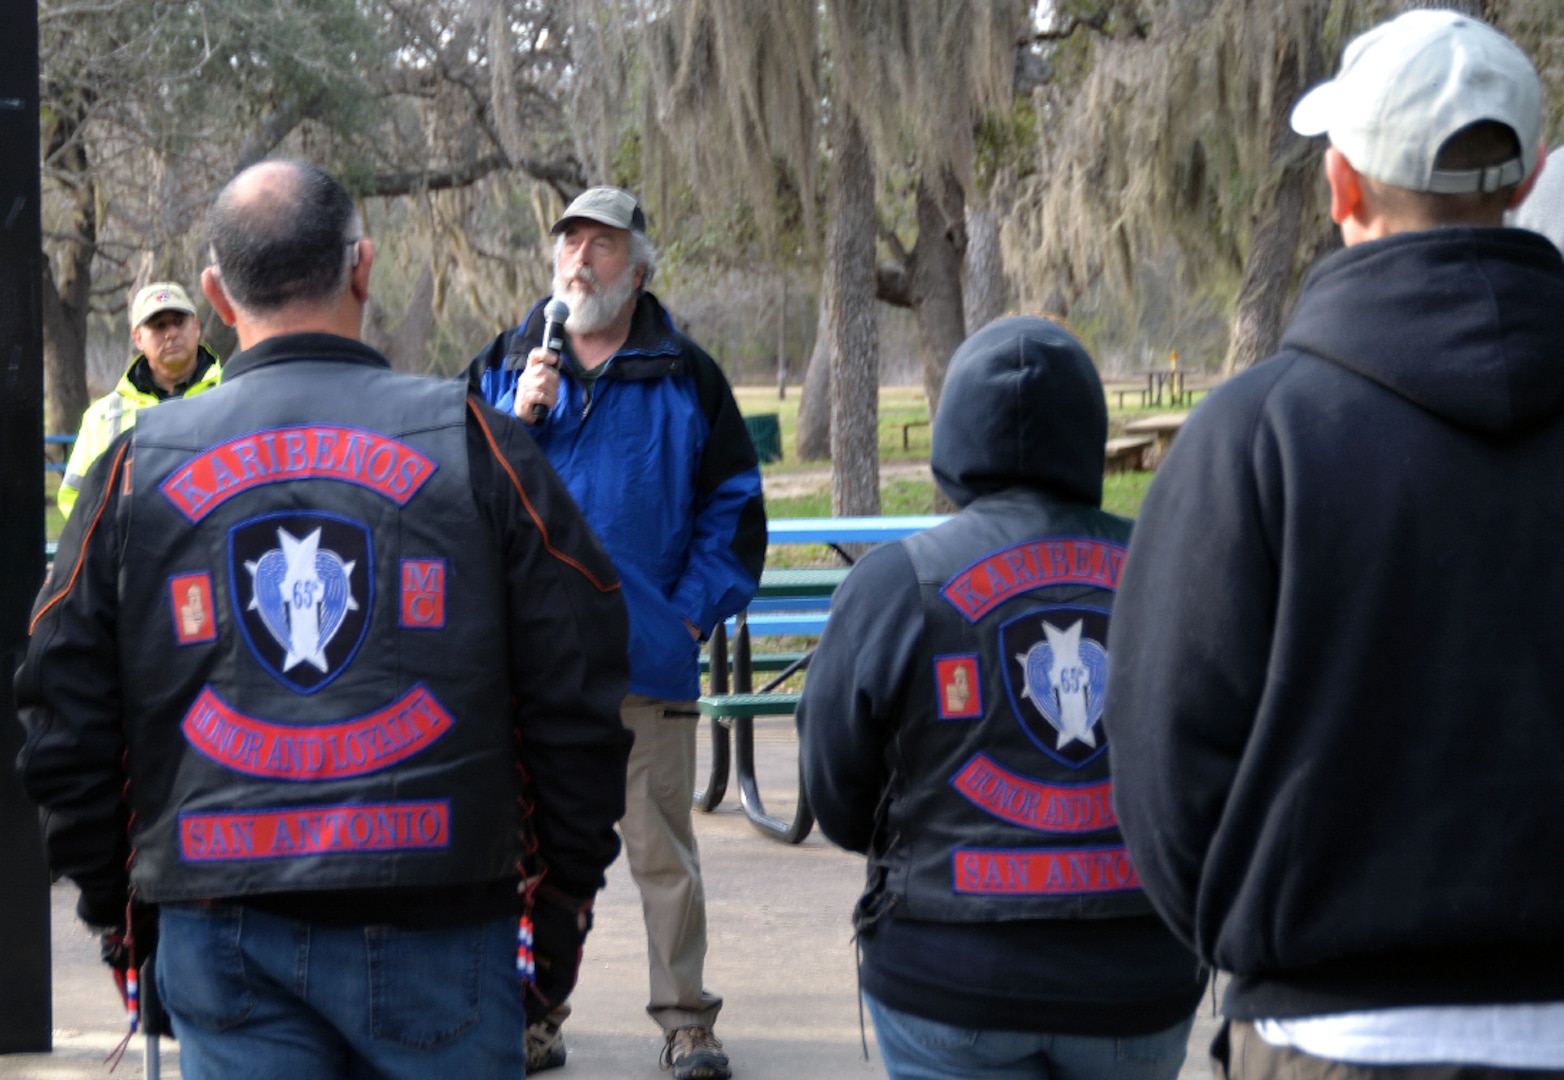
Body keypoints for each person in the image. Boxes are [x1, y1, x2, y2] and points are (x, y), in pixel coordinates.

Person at [15, 159, 634, 1079]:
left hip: (220, 925)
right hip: (442, 918)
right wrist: (561, 902)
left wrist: (122, 914)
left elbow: (61, 711)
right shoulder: (475, 444)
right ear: (364, 268)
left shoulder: (138, 470)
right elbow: (577, 688)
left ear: (219, 296)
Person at [1104, 11, 1564, 1079]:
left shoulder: (1250, 438)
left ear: (1341, 186)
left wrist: (1252, 929)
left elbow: (1163, 764)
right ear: (1528, 174)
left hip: (1325, 1033)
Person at [795, 315, 1206, 1080]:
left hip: (949, 978)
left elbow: (833, 786)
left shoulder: (894, 582)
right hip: (1138, 977)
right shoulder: (1174, 563)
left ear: (953, 433)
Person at [471, 186, 765, 1080]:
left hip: (646, 659)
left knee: (661, 853)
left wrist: (685, 614)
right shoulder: (502, 366)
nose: (579, 261)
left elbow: (736, 510)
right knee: (531, 860)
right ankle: (534, 1017)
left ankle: (686, 1022)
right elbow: (453, 491)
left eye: (600, 246)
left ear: (639, 268)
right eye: (568, 245)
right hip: (531, 668)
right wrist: (513, 421)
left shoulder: (688, 376)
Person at [56, 281, 223, 519]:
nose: (171, 333)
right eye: (158, 325)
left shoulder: (233, 395)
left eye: (179, 322)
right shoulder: (102, 417)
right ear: (138, 338)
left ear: (196, 327)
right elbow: (74, 498)